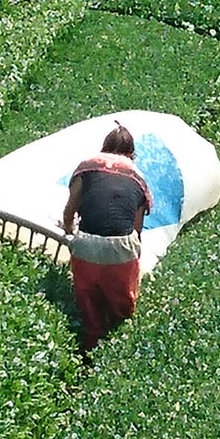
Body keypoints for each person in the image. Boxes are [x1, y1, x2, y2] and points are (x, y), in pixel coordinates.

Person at [60, 122, 152, 353]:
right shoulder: (138, 178)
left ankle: (88, 343)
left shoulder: (86, 167)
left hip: (86, 246)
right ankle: (116, 346)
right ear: (132, 154)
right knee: (121, 310)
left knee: (88, 304)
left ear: (104, 148)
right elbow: (136, 230)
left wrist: (70, 231)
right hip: (122, 249)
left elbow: (70, 211)